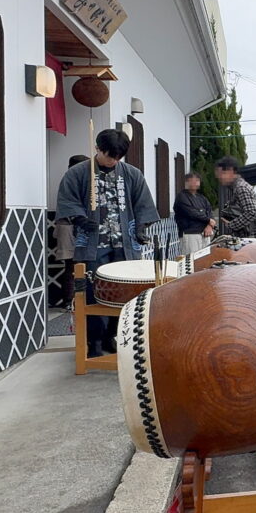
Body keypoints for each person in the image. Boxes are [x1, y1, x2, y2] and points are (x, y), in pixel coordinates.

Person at [56, 128, 158, 358]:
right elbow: (68, 199)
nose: (113, 161)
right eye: (109, 155)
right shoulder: (78, 173)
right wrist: (80, 218)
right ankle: (93, 341)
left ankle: (114, 336)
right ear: (97, 149)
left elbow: (143, 205)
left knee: (124, 293)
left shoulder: (132, 174)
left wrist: (141, 228)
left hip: (125, 244)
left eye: (118, 157)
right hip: (93, 244)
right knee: (92, 294)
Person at [51, 154, 90, 308]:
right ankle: (70, 301)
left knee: (73, 265)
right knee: (73, 265)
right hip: (69, 226)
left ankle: (72, 301)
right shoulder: (74, 180)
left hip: (68, 226)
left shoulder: (70, 179)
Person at [214, 156, 256, 238]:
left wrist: (232, 224)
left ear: (231, 171)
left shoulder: (241, 188)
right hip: (252, 237)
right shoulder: (238, 187)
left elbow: (252, 212)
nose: (220, 178)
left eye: (222, 174)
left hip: (253, 239)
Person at [173, 171, 215, 255]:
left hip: (205, 233)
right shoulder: (181, 197)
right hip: (190, 234)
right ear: (186, 182)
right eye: (192, 180)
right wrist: (208, 220)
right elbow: (191, 213)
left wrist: (209, 225)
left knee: (205, 260)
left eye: (197, 180)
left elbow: (209, 211)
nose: (195, 182)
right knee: (191, 261)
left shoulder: (202, 198)